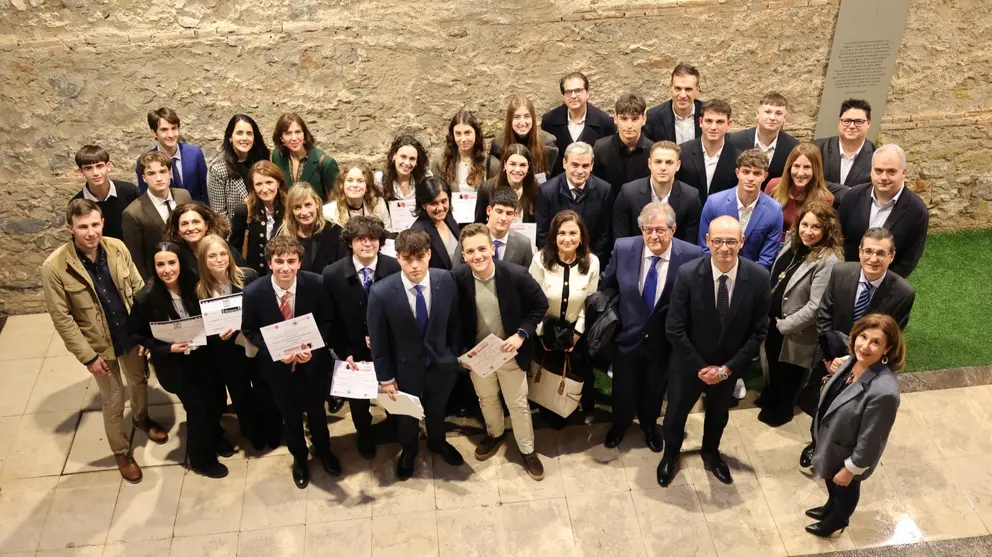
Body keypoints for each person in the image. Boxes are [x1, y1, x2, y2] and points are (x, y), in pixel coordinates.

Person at [42, 200, 168, 484]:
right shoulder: (54, 267)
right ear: (70, 228)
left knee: (138, 380)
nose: (90, 232)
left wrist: (146, 332)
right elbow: (62, 319)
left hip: (130, 333)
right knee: (113, 399)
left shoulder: (117, 248)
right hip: (99, 344)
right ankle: (121, 450)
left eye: (95, 224)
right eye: (83, 227)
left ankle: (141, 418)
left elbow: (138, 290)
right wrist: (87, 356)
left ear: (102, 223)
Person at [657, 216, 771, 487]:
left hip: (728, 367)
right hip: (688, 364)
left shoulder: (758, 278)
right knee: (675, 415)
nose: (724, 248)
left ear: (742, 242)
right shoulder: (687, 274)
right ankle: (670, 454)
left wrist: (727, 369)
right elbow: (674, 328)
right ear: (707, 241)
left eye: (731, 241)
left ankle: (711, 453)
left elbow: (758, 332)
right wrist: (701, 367)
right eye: (717, 240)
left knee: (719, 415)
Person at [797, 227, 915, 467]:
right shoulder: (841, 272)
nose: (873, 259)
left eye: (881, 253)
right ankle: (817, 442)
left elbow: (890, 339)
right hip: (831, 358)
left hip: (866, 365)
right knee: (823, 403)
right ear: (860, 252)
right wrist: (831, 359)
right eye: (868, 251)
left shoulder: (903, 293)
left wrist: (854, 365)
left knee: (851, 413)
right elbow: (824, 317)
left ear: (891, 257)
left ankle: (841, 452)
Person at [601, 202, 702, 451]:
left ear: (673, 229)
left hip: (663, 342)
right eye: (648, 230)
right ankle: (619, 425)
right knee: (622, 388)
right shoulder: (624, 248)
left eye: (660, 230)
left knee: (654, 389)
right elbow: (607, 285)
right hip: (627, 337)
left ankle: (648, 426)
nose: (654, 236)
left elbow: (694, 300)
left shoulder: (691, 254)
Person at [242, 235, 340, 489]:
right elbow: (250, 330)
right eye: (279, 261)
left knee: (317, 413)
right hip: (278, 370)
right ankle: (299, 458)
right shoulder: (253, 293)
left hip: (312, 365)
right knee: (291, 417)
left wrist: (314, 346)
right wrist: (275, 351)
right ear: (269, 263)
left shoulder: (316, 284)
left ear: (299, 263)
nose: (285, 267)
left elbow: (327, 321)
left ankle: (324, 450)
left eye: (291, 261)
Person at [366, 229, 465, 480]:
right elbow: (378, 341)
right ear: (398, 257)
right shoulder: (381, 292)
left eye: (420, 257)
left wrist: (453, 356)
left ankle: (438, 442)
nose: (414, 265)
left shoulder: (446, 280)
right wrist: (386, 378)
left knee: (437, 409)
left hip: (440, 366)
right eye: (408, 258)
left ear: (429, 255)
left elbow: (456, 323)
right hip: (404, 370)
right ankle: (409, 452)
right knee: (406, 418)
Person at [454, 224, 549, 479]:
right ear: (463, 255)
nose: (478, 256)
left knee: (517, 403)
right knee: (487, 399)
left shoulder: (516, 274)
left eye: (482, 249)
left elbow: (540, 305)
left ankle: (527, 450)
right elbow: (454, 320)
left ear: (492, 248)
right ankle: (495, 435)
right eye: (470, 251)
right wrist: (462, 353)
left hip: (510, 353)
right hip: (479, 358)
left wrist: (521, 335)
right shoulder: (458, 278)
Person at [128, 242, 229, 478]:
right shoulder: (146, 298)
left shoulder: (197, 285)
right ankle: (201, 460)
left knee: (215, 401)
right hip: (176, 365)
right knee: (197, 411)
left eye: (171, 263)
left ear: (180, 263)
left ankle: (215, 437)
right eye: (160, 264)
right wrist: (167, 347)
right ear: (153, 267)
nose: (167, 269)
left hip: (204, 357)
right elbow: (135, 334)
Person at [806, 314, 904, 538]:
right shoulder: (853, 361)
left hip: (847, 453)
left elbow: (872, 440)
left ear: (887, 349)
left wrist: (851, 469)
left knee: (845, 489)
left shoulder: (884, 392)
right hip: (832, 440)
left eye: (876, 342)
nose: (865, 346)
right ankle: (829, 508)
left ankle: (838, 521)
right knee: (832, 485)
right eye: (863, 336)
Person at [195, 234, 284, 452]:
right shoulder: (199, 290)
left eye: (223, 253)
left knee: (264, 388)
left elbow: (264, 311)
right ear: (203, 260)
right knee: (240, 393)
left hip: (253, 344)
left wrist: (238, 325)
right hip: (225, 351)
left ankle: (274, 430)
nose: (219, 259)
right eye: (212, 256)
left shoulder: (249, 277)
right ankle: (253, 433)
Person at [756, 202, 842, 426]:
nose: (808, 231)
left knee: (789, 373)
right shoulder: (792, 244)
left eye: (815, 227)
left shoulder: (828, 261)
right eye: (804, 224)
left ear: (826, 230)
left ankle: (782, 411)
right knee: (773, 364)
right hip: (774, 322)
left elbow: (816, 306)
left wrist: (785, 325)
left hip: (795, 331)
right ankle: (771, 398)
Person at [322, 216, 401, 459]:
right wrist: (344, 351)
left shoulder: (394, 267)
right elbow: (329, 320)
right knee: (358, 402)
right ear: (350, 242)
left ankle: (395, 425)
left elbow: (402, 310)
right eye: (360, 239)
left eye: (372, 239)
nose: (367, 244)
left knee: (393, 393)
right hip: (353, 351)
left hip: (389, 348)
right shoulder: (332, 274)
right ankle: (364, 432)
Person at [528, 210, 601, 424]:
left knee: (578, 377)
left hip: (576, 334)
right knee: (548, 381)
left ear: (581, 237)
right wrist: (543, 335)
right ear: (553, 236)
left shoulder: (592, 262)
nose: (567, 239)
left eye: (572, 233)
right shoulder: (540, 260)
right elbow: (534, 301)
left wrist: (576, 334)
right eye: (561, 233)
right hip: (545, 335)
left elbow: (590, 303)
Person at [837, 144, 929, 278]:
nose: (884, 177)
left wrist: (879, 284)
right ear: (871, 171)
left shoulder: (917, 211)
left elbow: (909, 260)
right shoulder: (852, 197)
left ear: (903, 173)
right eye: (878, 171)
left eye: (891, 171)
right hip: (847, 276)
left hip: (884, 285)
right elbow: (837, 237)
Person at [697, 149, 783, 270]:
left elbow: (767, 258)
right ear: (737, 173)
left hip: (752, 277)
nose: (750, 178)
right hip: (714, 272)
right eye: (746, 172)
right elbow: (705, 247)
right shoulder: (714, 203)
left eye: (757, 173)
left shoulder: (774, 210)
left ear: (765, 176)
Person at [535, 142, 613, 264]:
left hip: (590, 261)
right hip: (555, 260)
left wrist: (591, 261)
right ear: (564, 163)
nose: (580, 171)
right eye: (575, 165)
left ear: (592, 166)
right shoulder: (547, 191)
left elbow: (604, 233)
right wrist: (556, 261)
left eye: (585, 166)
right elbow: (543, 233)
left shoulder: (604, 190)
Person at [123, 151, 193, 280]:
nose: (159, 178)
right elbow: (136, 258)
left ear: (170, 173)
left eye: (162, 171)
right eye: (151, 173)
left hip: (190, 270)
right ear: (144, 178)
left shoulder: (183, 196)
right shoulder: (133, 213)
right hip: (160, 277)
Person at [613, 141, 701, 243]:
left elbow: (689, 245)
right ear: (650, 164)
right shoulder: (628, 193)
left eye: (669, 162)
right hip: (636, 255)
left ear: (678, 165)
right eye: (658, 162)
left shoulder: (691, 197)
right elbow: (621, 241)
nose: (663, 168)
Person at [540, 71, 616, 177]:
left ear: (587, 93)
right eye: (568, 92)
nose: (573, 96)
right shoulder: (550, 121)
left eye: (578, 90)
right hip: (559, 186)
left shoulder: (605, 123)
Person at [135, 107, 208, 203]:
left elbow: (206, 191)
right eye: (164, 130)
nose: (171, 134)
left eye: (174, 128)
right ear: (154, 133)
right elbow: (146, 199)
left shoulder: (195, 154)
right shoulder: (145, 162)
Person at [764, 143, 834, 242]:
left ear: (815, 170)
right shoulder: (773, 186)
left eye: (806, 167)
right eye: (796, 166)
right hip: (768, 244)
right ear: (789, 167)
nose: (800, 173)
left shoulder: (825, 198)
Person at [675, 99, 739, 205]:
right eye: (709, 121)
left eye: (719, 122)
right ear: (700, 122)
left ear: (729, 124)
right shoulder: (681, 153)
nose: (713, 127)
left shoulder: (738, 158)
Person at [207, 114, 271, 219]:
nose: (245, 138)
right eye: (239, 133)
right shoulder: (218, 169)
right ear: (230, 137)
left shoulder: (261, 160)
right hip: (236, 231)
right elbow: (220, 215)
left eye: (249, 133)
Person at [727, 92, 799, 186]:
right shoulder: (734, 141)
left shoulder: (793, 147)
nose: (772, 118)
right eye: (768, 112)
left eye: (778, 113)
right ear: (757, 114)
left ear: (785, 118)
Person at [230, 161, 288, 276]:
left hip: (284, 273)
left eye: (269, 182)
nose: (265, 189)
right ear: (253, 187)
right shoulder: (244, 211)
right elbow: (234, 249)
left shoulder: (289, 208)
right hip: (254, 276)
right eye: (259, 184)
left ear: (278, 183)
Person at [592, 93, 654, 202]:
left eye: (634, 119)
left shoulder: (653, 151)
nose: (629, 125)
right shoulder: (600, 149)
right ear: (615, 119)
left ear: (644, 119)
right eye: (624, 119)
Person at [71, 145, 140, 241]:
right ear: (81, 171)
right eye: (88, 168)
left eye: (99, 166)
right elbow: (79, 239)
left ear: (108, 166)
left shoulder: (130, 191)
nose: (95, 173)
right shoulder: (77, 202)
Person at [815, 99, 876, 201]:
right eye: (847, 121)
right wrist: (847, 191)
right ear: (840, 122)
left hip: (857, 215)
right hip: (819, 213)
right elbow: (810, 181)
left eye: (858, 122)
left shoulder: (876, 155)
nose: (851, 126)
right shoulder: (818, 148)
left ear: (868, 123)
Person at [457, 187, 533, 268]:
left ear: (515, 215)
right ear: (489, 210)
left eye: (509, 213)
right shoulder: (469, 237)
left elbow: (527, 277)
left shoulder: (523, 244)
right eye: (499, 212)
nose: (503, 218)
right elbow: (457, 272)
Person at [280, 182, 348, 274]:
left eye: (308, 205)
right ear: (291, 211)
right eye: (297, 207)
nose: (304, 212)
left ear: (317, 204)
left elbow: (343, 269)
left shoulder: (335, 232)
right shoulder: (282, 235)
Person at [270, 112, 339, 201]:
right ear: (281, 138)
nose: (294, 138)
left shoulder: (326, 163)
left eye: (298, 132)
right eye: (288, 133)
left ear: (304, 134)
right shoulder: (278, 156)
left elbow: (337, 201)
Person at [165, 202, 241, 279]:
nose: (191, 228)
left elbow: (245, 275)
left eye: (196, 222)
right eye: (184, 224)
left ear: (206, 226)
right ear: (178, 230)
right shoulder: (175, 255)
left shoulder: (222, 246)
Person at [492, 94, 560, 179]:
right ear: (510, 120)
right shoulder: (498, 145)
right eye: (516, 117)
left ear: (533, 118)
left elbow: (554, 179)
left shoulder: (548, 144)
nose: (522, 122)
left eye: (527, 116)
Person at [430, 109, 500, 192]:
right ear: (453, 135)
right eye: (458, 134)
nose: (463, 139)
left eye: (467, 133)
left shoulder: (491, 164)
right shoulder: (440, 159)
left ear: (476, 134)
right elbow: (434, 192)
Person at [473, 144, 540, 224]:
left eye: (522, 165)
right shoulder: (487, 188)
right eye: (512, 164)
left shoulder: (536, 190)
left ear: (528, 167)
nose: (517, 169)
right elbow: (479, 223)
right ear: (505, 164)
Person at [644, 62, 704, 144]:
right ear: (671, 89)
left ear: (697, 90)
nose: (683, 95)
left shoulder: (707, 114)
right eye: (678, 88)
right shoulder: (654, 117)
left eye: (688, 89)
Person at [410, 176, 461, 270]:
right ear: (423, 205)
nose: (441, 208)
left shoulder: (448, 217)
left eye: (444, 201)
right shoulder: (418, 232)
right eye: (434, 203)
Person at [323, 162, 391, 229]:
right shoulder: (328, 212)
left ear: (367, 186)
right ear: (342, 185)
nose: (355, 185)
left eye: (360, 181)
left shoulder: (379, 205)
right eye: (350, 180)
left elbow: (388, 235)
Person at [379, 135, 430, 203]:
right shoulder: (380, 179)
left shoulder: (425, 178)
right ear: (394, 156)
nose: (407, 163)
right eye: (403, 157)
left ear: (417, 161)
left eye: (412, 159)